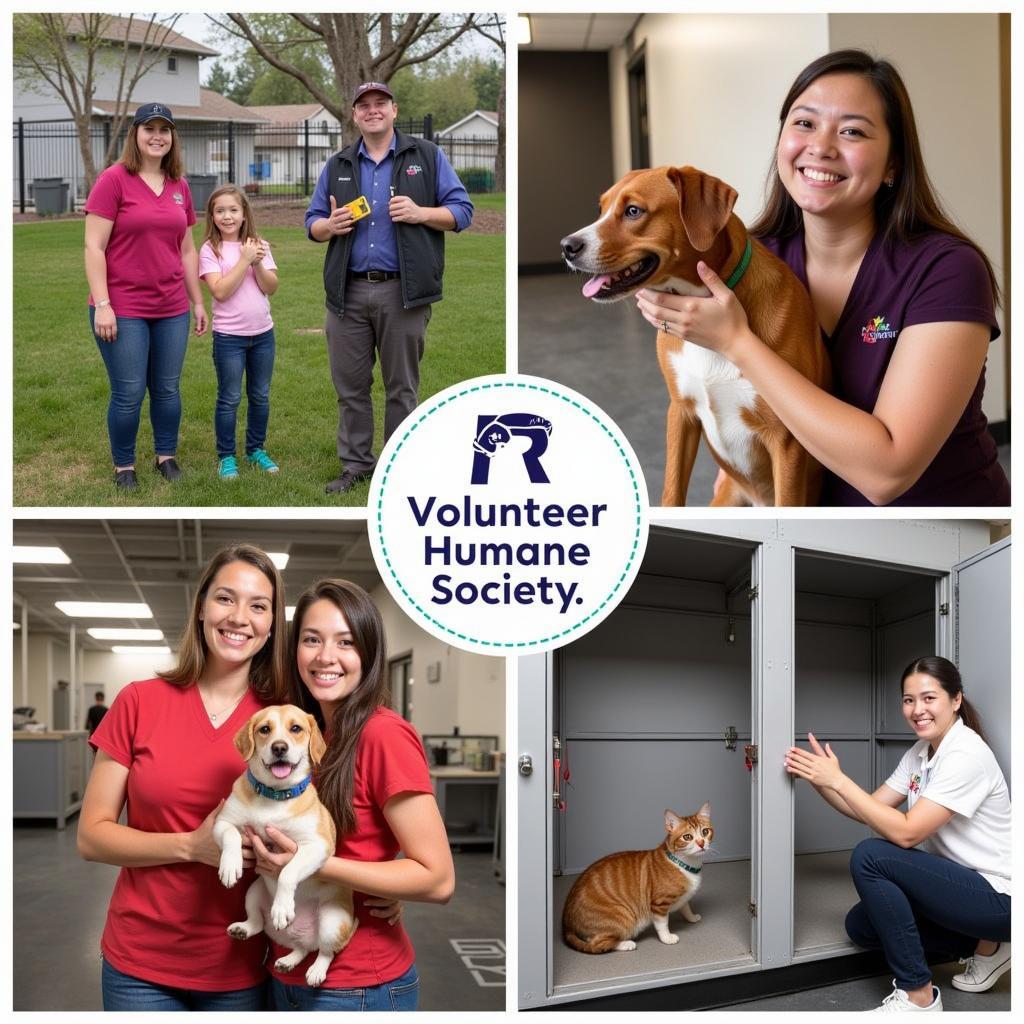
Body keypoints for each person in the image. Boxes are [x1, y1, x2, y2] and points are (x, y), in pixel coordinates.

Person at [635, 50, 1009, 506]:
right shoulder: (753, 259)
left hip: (938, 533)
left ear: (893, 163)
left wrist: (737, 342)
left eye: (852, 131)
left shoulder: (946, 270)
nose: (821, 146)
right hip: (805, 525)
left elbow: (887, 473)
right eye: (804, 123)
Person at [77, 544, 287, 1010]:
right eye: (225, 598)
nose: (239, 617)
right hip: (140, 967)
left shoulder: (282, 722)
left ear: (272, 625)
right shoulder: (138, 702)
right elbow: (92, 837)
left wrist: (372, 892)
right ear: (200, 607)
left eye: (258, 606)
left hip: (241, 965)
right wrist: (191, 846)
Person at [250, 578, 455, 1010]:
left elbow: (437, 879)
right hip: (286, 971)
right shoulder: (303, 732)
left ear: (369, 653)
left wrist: (319, 864)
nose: (326, 657)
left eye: (346, 642)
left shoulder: (383, 735)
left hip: (357, 985)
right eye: (311, 640)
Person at [785, 656, 1011, 1012]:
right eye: (908, 700)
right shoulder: (921, 752)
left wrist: (840, 780)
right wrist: (821, 779)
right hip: (963, 887)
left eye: (928, 698)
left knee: (870, 855)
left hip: (1001, 897)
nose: (917, 709)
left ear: (956, 700)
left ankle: (918, 996)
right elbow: (868, 809)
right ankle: (990, 944)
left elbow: (906, 834)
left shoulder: (966, 753)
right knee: (861, 926)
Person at [305, 82, 474, 495]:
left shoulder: (427, 157)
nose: (373, 111)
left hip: (404, 292)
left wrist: (421, 213)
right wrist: (329, 226)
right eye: (364, 106)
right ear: (355, 115)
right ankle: (356, 465)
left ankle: (399, 466)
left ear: (394, 110)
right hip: (348, 293)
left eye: (380, 103)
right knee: (351, 388)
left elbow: (463, 212)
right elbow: (312, 223)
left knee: (402, 388)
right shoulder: (339, 163)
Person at [84, 102, 209, 491]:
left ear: (173, 138)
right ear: (135, 135)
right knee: (129, 390)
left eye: (164, 130)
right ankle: (124, 465)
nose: (157, 136)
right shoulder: (114, 180)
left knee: (168, 387)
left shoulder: (180, 186)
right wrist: (103, 304)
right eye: (149, 129)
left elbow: (187, 250)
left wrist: (198, 301)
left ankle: (166, 457)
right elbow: (93, 247)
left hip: (170, 307)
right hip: (123, 308)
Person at [199, 186, 280, 481]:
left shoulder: (259, 245)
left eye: (233, 210)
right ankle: (226, 456)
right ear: (212, 216)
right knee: (229, 397)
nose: (227, 216)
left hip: (262, 336)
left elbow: (270, 287)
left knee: (260, 395)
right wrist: (244, 260)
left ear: (244, 213)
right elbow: (219, 291)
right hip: (229, 338)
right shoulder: (211, 249)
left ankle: (255, 449)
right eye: (220, 211)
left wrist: (256, 261)